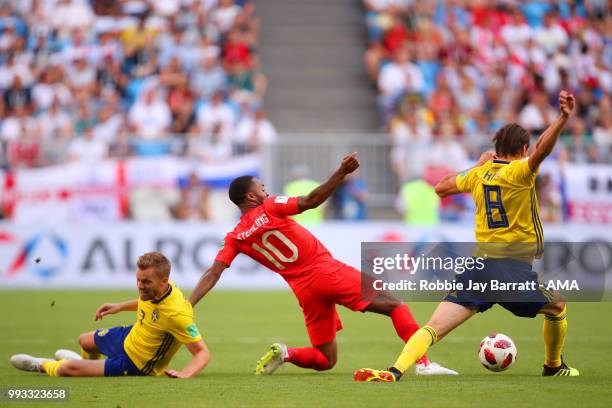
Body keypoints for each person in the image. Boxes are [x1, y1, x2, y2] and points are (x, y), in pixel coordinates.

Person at [354, 91, 579, 382]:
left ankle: (395, 370)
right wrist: (562, 118)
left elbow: (441, 188)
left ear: (496, 149)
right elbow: (543, 150)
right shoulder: (521, 172)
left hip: (478, 267)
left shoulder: (479, 175)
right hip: (511, 270)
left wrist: (476, 166)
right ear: (524, 149)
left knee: (434, 327)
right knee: (558, 306)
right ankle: (553, 365)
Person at [189, 153, 456, 376]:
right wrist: (341, 172)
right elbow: (310, 201)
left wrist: (188, 305)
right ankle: (422, 364)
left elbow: (214, 272)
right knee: (395, 304)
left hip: (304, 290)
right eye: (261, 188)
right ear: (250, 197)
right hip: (326, 271)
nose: (266, 191)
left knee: (326, 359)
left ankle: (286, 353)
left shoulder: (235, 237)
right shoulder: (270, 206)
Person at [10, 252, 210, 378]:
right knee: (84, 341)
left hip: (137, 363)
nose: (140, 286)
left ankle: (41, 365)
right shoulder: (161, 289)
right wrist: (120, 306)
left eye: (146, 282)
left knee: (65, 370)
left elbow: (202, 353)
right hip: (131, 336)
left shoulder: (178, 314)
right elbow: (148, 305)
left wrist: (185, 373)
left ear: (163, 281)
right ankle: (85, 364)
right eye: (138, 280)